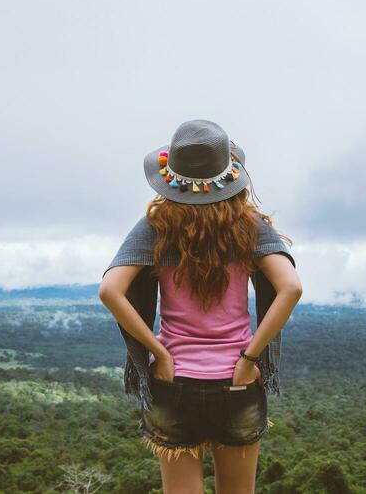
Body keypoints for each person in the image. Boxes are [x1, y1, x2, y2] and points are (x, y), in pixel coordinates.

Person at [99, 119, 303, 494]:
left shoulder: (156, 227)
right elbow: (290, 287)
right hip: (237, 382)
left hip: (172, 380)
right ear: (229, 176)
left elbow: (111, 290)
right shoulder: (249, 227)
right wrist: (250, 358)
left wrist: (158, 353)